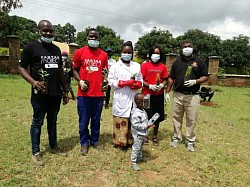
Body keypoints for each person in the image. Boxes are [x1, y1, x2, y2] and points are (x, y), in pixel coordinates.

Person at [18, 20, 69, 166]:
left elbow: (59, 71)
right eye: (45, 30)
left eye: (50, 30)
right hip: (39, 94)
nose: (48, 33)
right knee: (37, 122)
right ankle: (36, 151)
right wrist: (33, 82)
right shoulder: (31, 47)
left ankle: (53, 147)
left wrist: (65, 90)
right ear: (38, 31)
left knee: (52, 121)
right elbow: (21, 68)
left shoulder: (56, 50)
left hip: (55, 93)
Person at [166, 41, 209, 152]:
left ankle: (190, 141)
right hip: (178, 95)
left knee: (191, 119)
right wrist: (167, 92)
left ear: (192, 48)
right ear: (181, 49)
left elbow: (205, 76)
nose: (187, 48)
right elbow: (171, 77)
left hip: (193, 96)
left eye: (189, 46)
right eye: (185, 47)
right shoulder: (177, 62)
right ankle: (177, 138)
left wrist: (195, 81)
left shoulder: (199, 61)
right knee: (176, 118)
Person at [73, 28, 108, 156]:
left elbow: (105, 72)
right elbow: (74, 69)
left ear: (99, 39)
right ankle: (84, 143)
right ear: (87, 38)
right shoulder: (79, 52)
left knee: (96, 119)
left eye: (96, 37)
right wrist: (80, 81)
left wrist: (105, 82)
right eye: (91, 37)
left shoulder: (103, 55)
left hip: (98, 94)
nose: (93, 39)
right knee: (83, 120)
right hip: (84, 94)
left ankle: (94, 140)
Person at [108, 41, 143, 150]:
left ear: (132, 53)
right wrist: (122, 83)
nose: (127, 54)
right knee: (121, 119)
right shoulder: (115, 66)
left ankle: (131, 141)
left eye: (129, 52)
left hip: (133, 96)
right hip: (121, 96)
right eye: (125, 52)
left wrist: (137, 83)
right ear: (121, 52)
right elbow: (110, 82)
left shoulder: (137, 66)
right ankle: (120, 142)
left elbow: (140, 79)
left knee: (133, 119)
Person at [140, 45, 168, 146]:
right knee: (146, 115)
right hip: (147, 95)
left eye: (158, 54)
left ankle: (155, 136)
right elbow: (141, 80)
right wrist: (150, 86)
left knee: (157, 116)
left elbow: (165, 79)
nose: (156, 55)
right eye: (154, 53)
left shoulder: (163, 66)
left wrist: (162, 85)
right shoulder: (144, 65)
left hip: (158, 95)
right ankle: (145, 135)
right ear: (150, 54)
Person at [130, 93, 155, 171]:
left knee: (140, 147)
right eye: (145, 101)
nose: (146, 103)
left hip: (143, 134)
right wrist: (146, 126)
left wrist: (149, 122)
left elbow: (144, 121)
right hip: (138, 134)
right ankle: (133, 162)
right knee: (136, 148)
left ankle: (139, 158)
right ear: (139, 102)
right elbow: (135, 125)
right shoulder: (136, 113)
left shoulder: (142, 110)